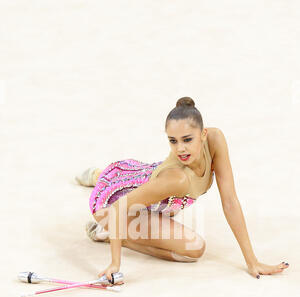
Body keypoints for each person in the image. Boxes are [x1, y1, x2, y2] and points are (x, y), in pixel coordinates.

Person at [75, 96, 289, 283]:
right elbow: (117, 209)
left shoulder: (215, 139)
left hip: (150, 192)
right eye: (173, 141)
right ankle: (106, 230)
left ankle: (98, 175)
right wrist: (115, 264)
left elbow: (230, 201)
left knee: (170, 209)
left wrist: (253, 262)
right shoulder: (176, 179)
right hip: (110, 206)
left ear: (203, 134)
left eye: (187, 139)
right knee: (194, 249)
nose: (180, 149)